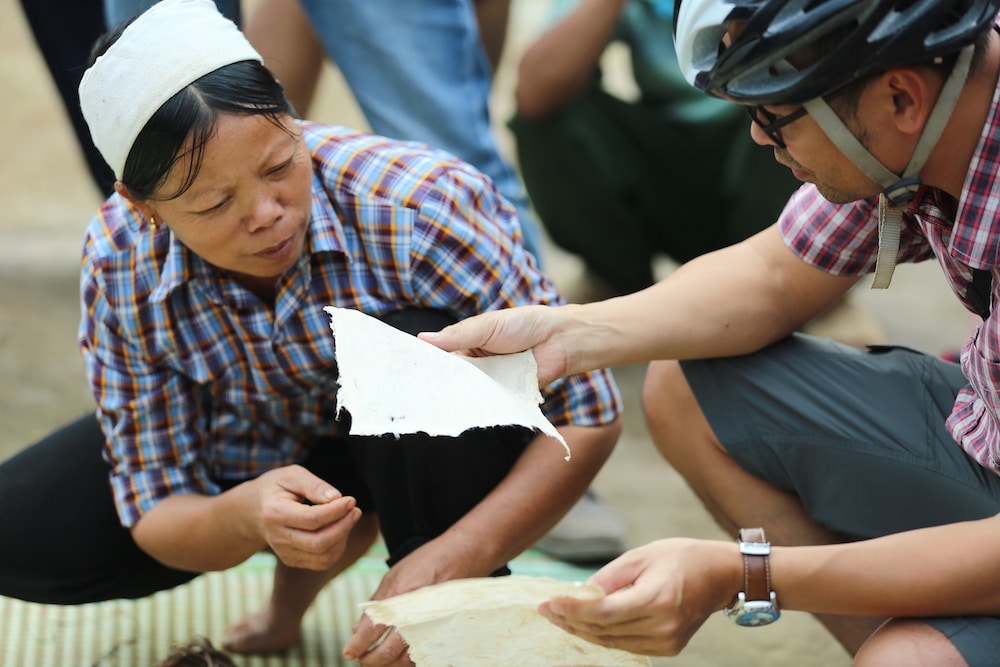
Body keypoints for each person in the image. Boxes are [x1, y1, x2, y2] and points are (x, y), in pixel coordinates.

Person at [0, 3, 622, 667]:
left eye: (278, 166)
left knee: (418, 344)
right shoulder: (120, 259)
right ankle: (304, 584)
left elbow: (589, 413)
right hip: (263, 445)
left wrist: (457, 554)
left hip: (426, 446)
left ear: (293, 120)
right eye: (214, 204)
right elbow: (155, 501)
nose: (267, 215)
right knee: (17, 530)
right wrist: (245, 514)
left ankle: (436, 585)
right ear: (141, 207)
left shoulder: (420, 204)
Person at [420, 0, 1000, 665]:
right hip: (985, 427)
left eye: (775, 115)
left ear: (902, 98)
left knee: (907, 660)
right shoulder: (926, 103)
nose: (759, 138)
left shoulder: (906, 101)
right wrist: (567, 334)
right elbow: (774, 275)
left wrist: (744, 572)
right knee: (687, 381)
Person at [510, 0, 800, 295]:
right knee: (552, 116)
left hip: (757, 146)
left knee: (794, 99)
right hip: (666, 152)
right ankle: (621, 286)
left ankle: (797, 269)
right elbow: (535, 91)